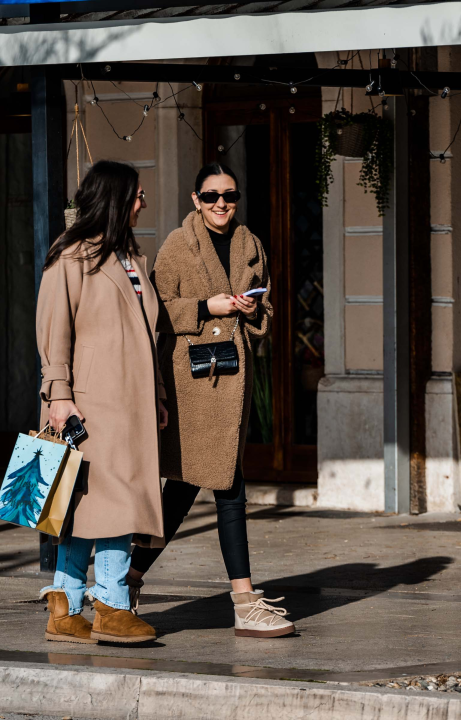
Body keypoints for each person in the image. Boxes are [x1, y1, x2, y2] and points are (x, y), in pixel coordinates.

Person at [129, 162, 295, 638]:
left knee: (187, 488)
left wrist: (251, 307)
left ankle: (128, 578)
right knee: (224, 487)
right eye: (211, 196)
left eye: (230, 195)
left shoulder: (251, 244)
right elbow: (156, 311)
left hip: (232, 378)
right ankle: (244, 601)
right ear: (195, 200)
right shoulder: (177, 245)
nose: (222, 204)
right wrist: (207, 307)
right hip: (190, 383)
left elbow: (266, 310)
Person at [36, 160, 168, 645]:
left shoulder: (132, 257)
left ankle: (66, 605)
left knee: (86, 506)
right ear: (117, 198)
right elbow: (54, 330)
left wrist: (157, 395)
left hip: (131, 403)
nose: (143, 203)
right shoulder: (71, 256)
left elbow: (147, 335)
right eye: (138, 194)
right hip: (90, 404)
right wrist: (59, 395)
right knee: (114, 502)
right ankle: (111, 604)